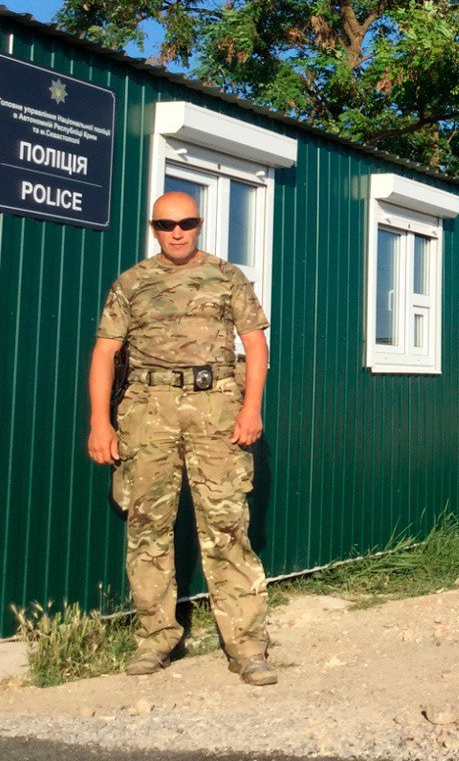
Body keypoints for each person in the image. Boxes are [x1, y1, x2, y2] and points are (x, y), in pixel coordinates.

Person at [87, 190, 277, 686]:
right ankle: (155, 640)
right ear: (153, 228)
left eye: (186, 223)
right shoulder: (132, 283)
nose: (177, 233)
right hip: (147, 413)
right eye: (166, 225)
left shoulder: (227, 276)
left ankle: (247, 647)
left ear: (199, 225)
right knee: (147, 528)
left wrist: (251, 408)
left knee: (227, 525)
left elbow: (254, 344)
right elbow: (105, 353)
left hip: (216, 409)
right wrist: (99, 423)